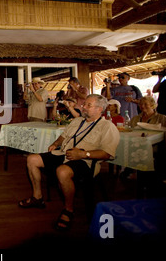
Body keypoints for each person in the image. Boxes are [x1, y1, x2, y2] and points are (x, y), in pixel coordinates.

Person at [18, 94, 119, 231]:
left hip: (86, 160)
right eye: (84, 104)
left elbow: (107, 153)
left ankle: (68, 209)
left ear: (99, 109)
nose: (83, 107)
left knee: (62, 171)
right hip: (64, 153)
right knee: (32, 159)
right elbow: (63, 136)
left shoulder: (107, 127)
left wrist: (83, 154)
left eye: (88, 105)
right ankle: (38, 197)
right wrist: (56, 143)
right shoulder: (77, 121)